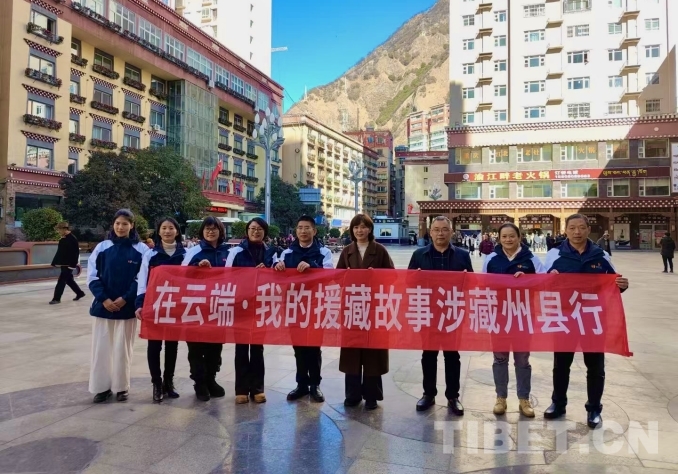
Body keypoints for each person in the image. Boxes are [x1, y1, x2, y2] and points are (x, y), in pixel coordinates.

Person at [543, 214, 628, 429]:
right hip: (565, 319)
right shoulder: (554, 255)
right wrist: (548, 280)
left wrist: (622, 285)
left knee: (595, 367)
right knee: (561, 365)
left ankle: (594, 409)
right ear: (566, 230)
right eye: (572, 228)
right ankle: (558, 403)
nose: (577, 232)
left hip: (592, 319)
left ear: (588, 230)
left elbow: (613, 284)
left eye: (581, 227)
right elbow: (542, 285)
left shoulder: (601, 255)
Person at [408, 216, 473, 415]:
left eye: (444, 229)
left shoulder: (462, 255)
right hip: (428, 313)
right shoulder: (419, 255)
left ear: (451, 232)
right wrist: (416, 278)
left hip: (452, 313)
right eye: (436, 229)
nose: (440, 233)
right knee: (428, 355)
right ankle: (428, 394)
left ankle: (453, 396)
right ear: (430, 232)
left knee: (452, 356)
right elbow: (408, 283)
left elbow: (471, 283)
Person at [482, 223, 546, 418]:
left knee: (522, 360)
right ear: (499, 238)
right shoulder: (491, 259)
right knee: (500, 359)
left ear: (519, 237)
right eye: (504, 236)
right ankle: (500, 398)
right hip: (499, 316)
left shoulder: (531, 259)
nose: (508, 240)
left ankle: (524, 399)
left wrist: (528, 279)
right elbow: (483, 285)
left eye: (512, 236)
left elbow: (545, 283)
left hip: (523, 317)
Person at [87, 209, 148, 403]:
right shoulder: (102, 247)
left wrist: (125, 298)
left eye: (125, 224)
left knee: (123, 350)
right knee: (101, 349)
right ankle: (101, 388)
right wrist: (104, 299)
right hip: (103, 307)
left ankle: (121, 387)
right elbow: (92, 276)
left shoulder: (141, 249)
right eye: (117, 223)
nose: (120, 227)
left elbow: (142, 279)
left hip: (126, 308)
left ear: (132, 226)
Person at [336, 214, 394, 411]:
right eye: (356, 227)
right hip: (352, 309)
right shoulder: (347, 251)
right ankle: (352, 395)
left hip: (374, 309)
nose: (359, 231)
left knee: (372, 353)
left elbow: (392, 276)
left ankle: (371, 395)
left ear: (370, 229)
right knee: (352, 352)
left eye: (363, 227)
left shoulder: (380, 250)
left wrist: (376, 276)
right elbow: (337, 277)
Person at [274, 215, 333, 403]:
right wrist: (277, 266)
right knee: (298, 347)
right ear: (296, 231)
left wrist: (313, 267)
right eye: (300, 227)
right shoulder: (287, 253)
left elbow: (329, 274)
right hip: (294, 306)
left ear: (314, 231)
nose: (303, 231)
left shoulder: (324, 252)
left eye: (307, 227)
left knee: (314, 347)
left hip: (316, 305)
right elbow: (278, 275)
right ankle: (301, 384)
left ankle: (315, 385)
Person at [225, 217, 277, 405]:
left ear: (265, 232)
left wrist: (268, 271)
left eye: (260, 229)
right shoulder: (235, 252)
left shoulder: (271, 253)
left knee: (257, 348)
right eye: (252, 228)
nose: (256, 232)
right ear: (247, 231)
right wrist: (250, 274)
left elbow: (278, 277)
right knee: (241, 348)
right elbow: (227, 277)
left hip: (261, 305)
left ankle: (257, 389)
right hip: (241, 305)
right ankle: (241, 389)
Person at [135, 217, 186, 402]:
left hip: (176, 306)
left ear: (177, 231)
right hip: (154, 305)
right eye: (164, 228)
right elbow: (142, 281)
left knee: (172, 346)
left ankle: (168, 382)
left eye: (171, 228)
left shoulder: (186, 254)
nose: (167, 231)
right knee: (154, 346)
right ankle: (156, 384)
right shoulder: (150, 254)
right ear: (158, 231)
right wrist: (140, 303)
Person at [181, 217, 231, 401]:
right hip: (195, 306)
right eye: (207, 229)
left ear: (220, 231)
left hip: (218, 306)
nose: (211, 232)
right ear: (202, 231)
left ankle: (211, 379)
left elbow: (234, 275)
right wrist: (197, 267)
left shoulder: (228, 252)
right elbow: (181, 275)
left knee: (215, 346)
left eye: (214, 229)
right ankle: (199, 382)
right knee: (195, 347)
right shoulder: (193, 251)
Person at [50, 221, 86, 305]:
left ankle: (56, 298)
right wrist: (55, 262)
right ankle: (80, 293)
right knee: (69, 280)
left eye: (59, 229)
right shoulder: (64, 238)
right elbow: (60, 252)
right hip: (64, 264)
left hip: (69, 265)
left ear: (64, 229)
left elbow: (75, 253)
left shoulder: (72, 239)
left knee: (61, 280)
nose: (58, 231)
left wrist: (73, 265)